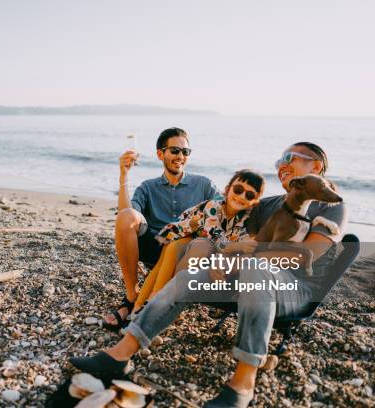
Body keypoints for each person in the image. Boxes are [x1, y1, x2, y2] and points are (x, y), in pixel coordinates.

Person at [72, 142, 348, 408]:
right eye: (279, 161)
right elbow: (242, 241)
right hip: (246, 276)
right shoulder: (268, 205)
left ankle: (243, 384)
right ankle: (119, 355)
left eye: (290, 158)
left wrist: (238, 262)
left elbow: (307, 254)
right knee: (193, 274)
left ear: (316, 165)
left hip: (294, 290)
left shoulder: (329, 203)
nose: (281, 166)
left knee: (255, 269)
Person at [103, 127, 218, 331]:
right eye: (174, 151)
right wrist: (123, 177)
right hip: (154, 248)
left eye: (185, 152)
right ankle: (132, 295)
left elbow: (226, 209)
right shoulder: (148, 187)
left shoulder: (204, 184)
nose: (180, 156)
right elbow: (125, 218)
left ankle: (135, 307)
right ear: (160, 154)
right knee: (126, 216)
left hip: (187, 255)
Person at [131, 169, 265, 316]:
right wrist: (238, 246)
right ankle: (145, 305)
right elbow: (217, 238)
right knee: (161, 269)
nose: (242, 196)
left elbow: (238, 245)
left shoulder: (242, 221)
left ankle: (143, 310)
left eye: (249, 194)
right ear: (227, 189)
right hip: (178, 235)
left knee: (162, 269)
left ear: (255, 201)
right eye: (238, 190)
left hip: (197, 242)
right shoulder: (214, 206)